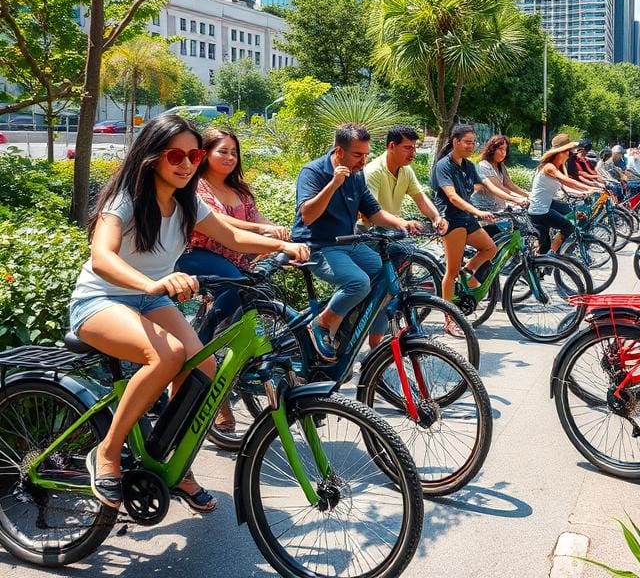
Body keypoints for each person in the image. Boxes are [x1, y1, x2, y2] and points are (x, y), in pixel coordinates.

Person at [70, 114, 309, 511]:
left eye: (193, 155)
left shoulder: (187, 201)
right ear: (151, 157)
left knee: (204, 368)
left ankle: (173, 464)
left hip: (151, 300)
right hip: (101, 301)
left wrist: (281, 247)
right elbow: (101, 258)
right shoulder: (125, 199)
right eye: (175, 155)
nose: (185, 164)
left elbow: (231, 235)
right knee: (167, 355)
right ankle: (107, 452)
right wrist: (150, 283)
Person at [293, 123, 419, 361]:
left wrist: (401, 223)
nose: (363, 160)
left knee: (387, 279)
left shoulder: (357, 174)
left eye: (366, 154)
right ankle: (321, 323)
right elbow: (307, 215)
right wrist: (333, 185)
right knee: (358, 282)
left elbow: (374, 213)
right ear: (339, 152)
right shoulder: (313, 172)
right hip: (318, 246)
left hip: (349, 242)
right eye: (357, 154)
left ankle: (373, 344)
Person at [178, 127, 290, 345]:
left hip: (236, 256)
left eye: (234, 152)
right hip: (199, 253)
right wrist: (261, 231)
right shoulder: (196, 186)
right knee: (237, 286)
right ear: (205, 153)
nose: (230, 157)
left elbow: (256, 217)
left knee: (257, 290)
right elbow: (218, 220)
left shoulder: (240, 190)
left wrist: (277, 231)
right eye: (223, 151)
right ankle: (202, 344)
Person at [430, 124, 498, 310]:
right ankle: (449, 317)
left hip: (466, 217)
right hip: (451, 219)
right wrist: (477, 212)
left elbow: (485, 184)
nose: (471, 146)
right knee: (450, 273)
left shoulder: (468, 165)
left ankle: (466, 271)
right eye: (467, 142)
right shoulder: (443, 166)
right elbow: (452, 197)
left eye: (473, 142)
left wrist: (515, 197)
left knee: (490, 248)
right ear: (455, 141)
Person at [364, 124, 448, 233]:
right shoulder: (373, 171)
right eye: (408, 148)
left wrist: (436, 217)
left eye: (414, 148)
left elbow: (420, 198)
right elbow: (370, 213)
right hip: (370, 233)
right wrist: (402, 223)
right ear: (392, 146)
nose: (413, 153)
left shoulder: (406, 170)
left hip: (394, 231)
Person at [528, 134, 601, 254]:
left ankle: (550, 255)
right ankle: (551, 255)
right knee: (567, 227)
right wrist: (589, 189)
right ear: (560, 152)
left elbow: (565, 186)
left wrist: (583, 192)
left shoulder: (559, 166)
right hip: (539, 210)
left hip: (548, 205)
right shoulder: (549, 167)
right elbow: (569, 181)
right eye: (568, 152)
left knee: (573, 213)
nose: (569, 154)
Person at [473, 135, 531, 219]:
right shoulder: (484, 166)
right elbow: (498, 187)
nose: (504, 153)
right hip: (485, 210)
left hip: (498, 208)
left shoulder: (501, 165)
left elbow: (509, 185)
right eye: (500, 149)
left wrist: (527, 195)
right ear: (492, 150)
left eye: (505, 150)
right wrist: (517, 199)